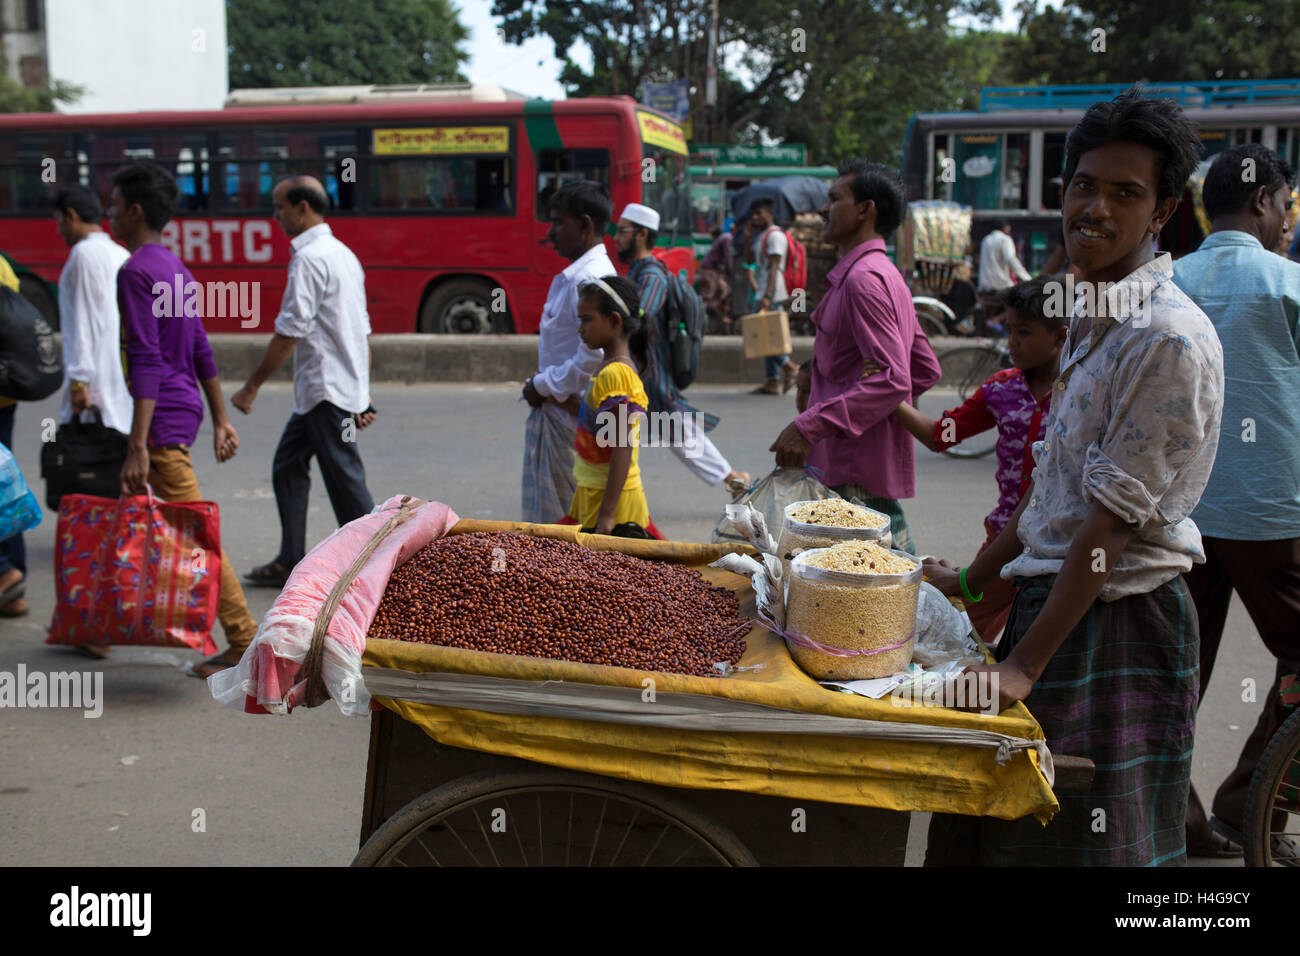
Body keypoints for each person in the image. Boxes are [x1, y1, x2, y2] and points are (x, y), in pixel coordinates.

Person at [924, 90, 1221, 866]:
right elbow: (1049, 488)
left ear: (1161, 213)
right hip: (1051, 607)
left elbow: (1107, 524)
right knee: (1003, 833)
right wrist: (969, 580)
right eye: (1084, 186)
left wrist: (1024, 665)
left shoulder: (1166, 338)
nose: (1095, 207)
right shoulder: (1088, 317)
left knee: (1083, 847)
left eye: (1126, 193)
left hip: (1110, 622)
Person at [1171, 143, 1300, 860]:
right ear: (1261, 201)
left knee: (1175, 666)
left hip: (1176, 514)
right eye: (1286, 205)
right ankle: (1253, 802)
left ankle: (1178, 814)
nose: (1288, 221)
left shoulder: (1167, 282)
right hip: (1271, 512)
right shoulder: (1289, 282)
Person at [108, 162, 259, 678]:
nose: (107, 215)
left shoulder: (135, 272)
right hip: (184, 408)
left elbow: (146, 358)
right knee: (130, 519)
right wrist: (219, 418)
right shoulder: (175, 267)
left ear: (134, 212)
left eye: (113, 206)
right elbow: (199, 347)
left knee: (196, 535)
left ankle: (243, 637)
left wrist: (137, 444)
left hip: (162, 419)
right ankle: (99, 626)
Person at [769, 160, 941, 555]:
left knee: (883, 599)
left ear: (866, 210)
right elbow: (924, 368)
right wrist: (816, 373)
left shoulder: (864, 280)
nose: (823, 210)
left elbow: (895, 378)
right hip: (855, 469)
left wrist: (809, 425)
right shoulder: (881, 273)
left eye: (835, 199)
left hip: (852, 473)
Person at [893, 277, 1066, 643]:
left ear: (1061, 337)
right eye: (1009, 330)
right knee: (958, 635)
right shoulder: (1001, 390)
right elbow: (942, 436)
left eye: (1024, 332)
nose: (1012, 342)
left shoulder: (1083, 392)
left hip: (1061, 548)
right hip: (1002, 541)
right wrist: (892, 400)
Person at [232, 175, 376, 588]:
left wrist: (252, 386)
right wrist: (362, 396)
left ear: (302, 208)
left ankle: (378, 569)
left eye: (278, 207)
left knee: (347, 485)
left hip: (325, 390)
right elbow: (361, 329)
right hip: (328, 390)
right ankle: (291, 557)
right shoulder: (344, 254)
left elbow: (289, 331)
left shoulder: (311, 258)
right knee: (288, 466)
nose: (275, 217)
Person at [614, 202, 749, 496]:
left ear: (640, 235)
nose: (616, 237)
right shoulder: (640, 271)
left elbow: (640, 316)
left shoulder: (651, 274)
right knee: (670, 428)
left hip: (650, 366)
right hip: (642, 366)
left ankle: (734, 478)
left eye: (622, 231)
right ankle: (732, 477)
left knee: (674, 428)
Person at [520, 181, 616, 524]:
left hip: (571, 414)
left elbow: (592, 355)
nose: (551, 231)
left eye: (559, 222)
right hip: (559, 409)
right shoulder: (575, 275)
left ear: (585, 225)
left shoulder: (589, 278)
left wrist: (544, 385)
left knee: (565, 522)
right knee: (555, 516)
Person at [561, 276, 662, 539]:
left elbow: (622, 445)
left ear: (615, 321)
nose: (580, 328)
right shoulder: (607, 369)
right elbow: (599, 427)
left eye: (587, 319)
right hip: (594, 491)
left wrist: (607, 513)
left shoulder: (615, 374)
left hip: (608, 501)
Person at [53, 185, 133, 434]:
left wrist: (79, 380)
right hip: (119, 378)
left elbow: (83, 321)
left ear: (71, 216)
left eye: (59, 221)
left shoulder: (83, 253)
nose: (59, 229)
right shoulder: (119, 253)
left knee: (92, 461)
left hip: (95, 381)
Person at [748, 198, 799, 395]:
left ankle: (789, 366)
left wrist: (767, 295)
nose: (755, 217)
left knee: (767, 335)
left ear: (770, 213)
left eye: (759, 213)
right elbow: (750, 261)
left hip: (772, 292)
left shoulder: (775, 236)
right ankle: (772, 380)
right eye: (753, 214)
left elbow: (774, 267)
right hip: (763, 290)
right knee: (765, 335)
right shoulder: (761, 235)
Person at [0, 255, 25, 616]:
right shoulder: (4, 264)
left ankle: (5, 571)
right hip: (7, 389)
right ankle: (12, 589)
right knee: (6, 481)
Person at [977, 219, 1031, 329]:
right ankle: (996, 320)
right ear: (1005, 228)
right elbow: (1011, 260)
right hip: (1001, 287)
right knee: (1026, 300)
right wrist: (1027, 278)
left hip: (984, 288)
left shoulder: (985, 240)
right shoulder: (1005, 239)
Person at [696, 226, 733, 327]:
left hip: (713, 270)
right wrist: (730, 271)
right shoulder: (727, 239)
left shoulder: (724, 238)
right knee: (708, 296)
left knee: (721, 292)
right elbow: (727, 256)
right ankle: (699, 321)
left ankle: (717, 319)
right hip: (710, 271)